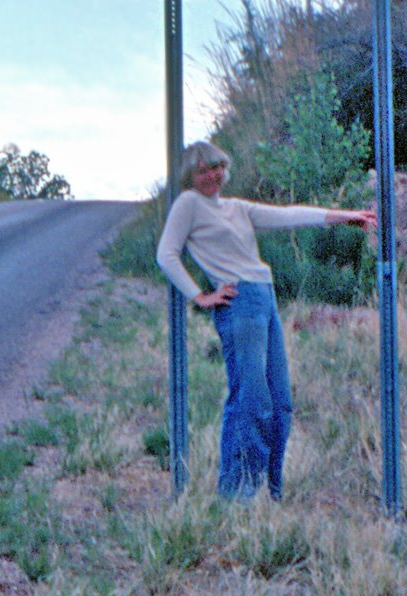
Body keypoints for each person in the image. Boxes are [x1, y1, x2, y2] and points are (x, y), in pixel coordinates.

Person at [156, 139, 376, 502]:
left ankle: (269, 491)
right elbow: (166, 254)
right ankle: (237, 495)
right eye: (202, 170)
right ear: (190, 176)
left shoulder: (235, 207)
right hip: (239, 303)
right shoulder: (188, 204)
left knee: (280, 400)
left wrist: (343, 216)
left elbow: (288, 214)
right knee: (251, 399)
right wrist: (200, 296)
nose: (212, 175)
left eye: (216, 167)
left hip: (265, 296)